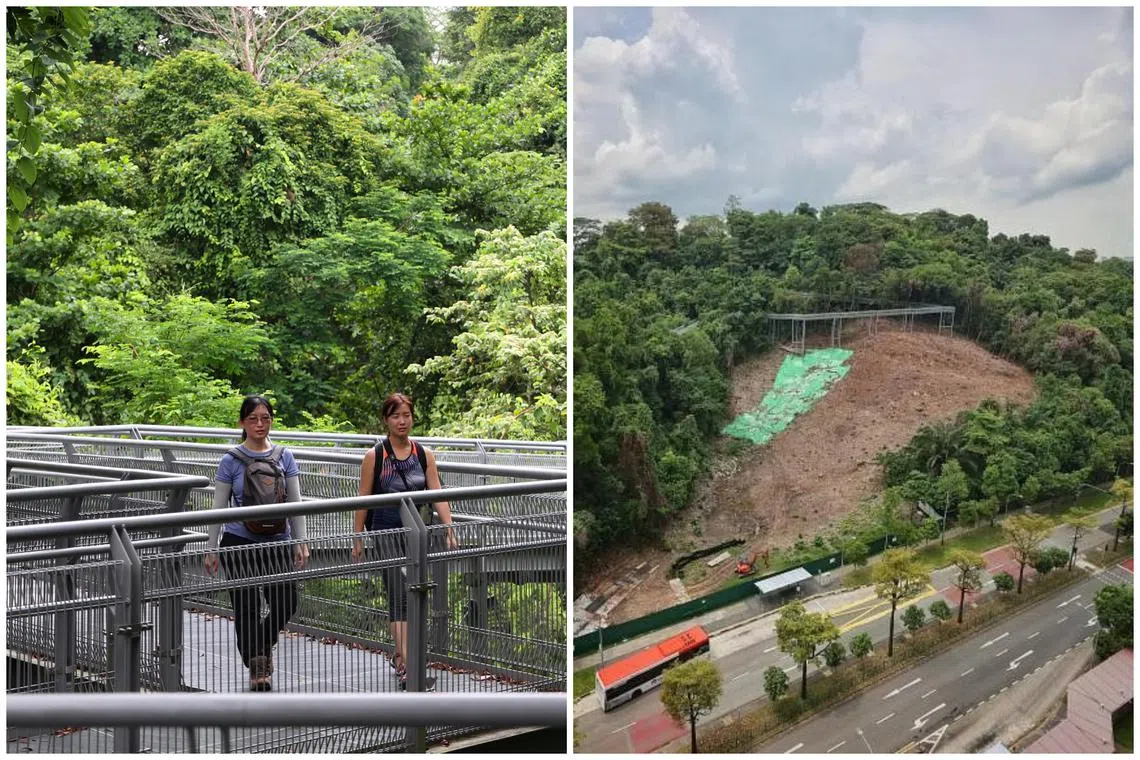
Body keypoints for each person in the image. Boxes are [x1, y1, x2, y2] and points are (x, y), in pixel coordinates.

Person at [352, 392, 458, 691]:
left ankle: (403, 657)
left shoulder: (423, 454)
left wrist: (449, 527)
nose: (402, 421)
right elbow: (364, 497)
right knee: (398, 596)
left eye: (406, 415)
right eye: (396, 416)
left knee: (415, 596)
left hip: (416, 535)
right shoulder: (376, 455)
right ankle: (407, 666)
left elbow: (436, 492)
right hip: (385, 533)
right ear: (386, 420)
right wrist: (358, 536)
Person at [204, 395, 309, 691]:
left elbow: (296, 502)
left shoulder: (284, 456)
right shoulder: (231, 460)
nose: (260, 424)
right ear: (242, 422)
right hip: (239, 542)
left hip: (278, 541)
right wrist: (212, 547)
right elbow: (219, 506)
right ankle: (257, 666)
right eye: (253, 419)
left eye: (265, 418)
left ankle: (261, 646)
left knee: (286, 601)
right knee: (247, 606)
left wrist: (301, 541)